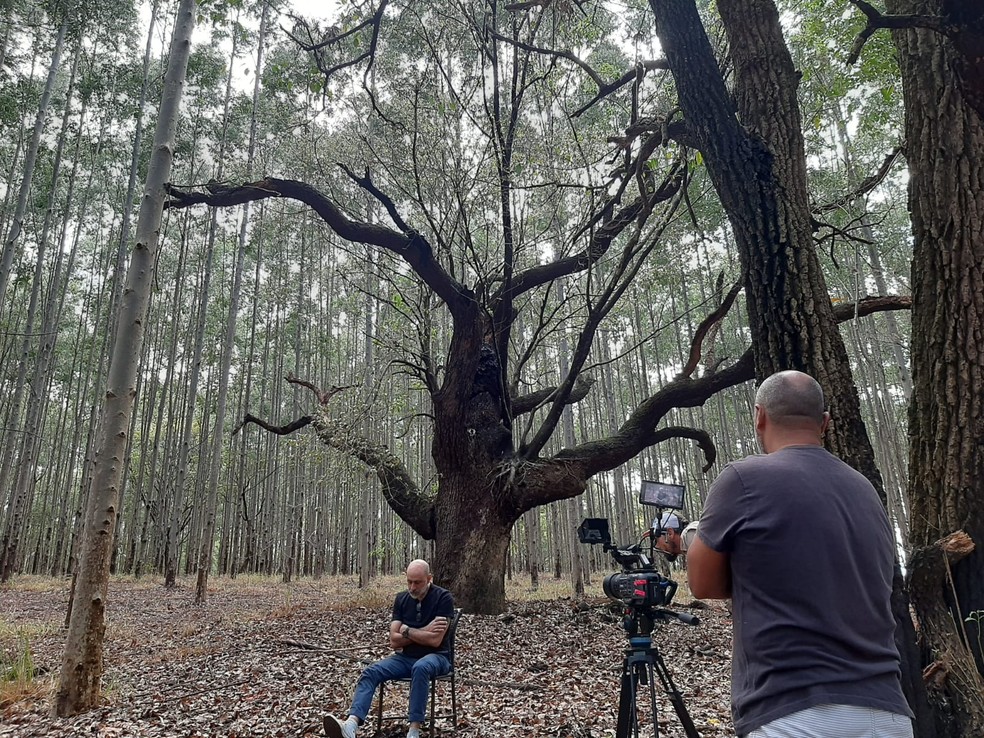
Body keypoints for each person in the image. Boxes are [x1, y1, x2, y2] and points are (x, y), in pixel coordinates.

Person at [687, 370, 913, 738]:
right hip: (887, 712)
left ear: (759, 416)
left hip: (794, 712)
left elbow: (702, 584)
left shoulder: (743, 479)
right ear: (824, 422)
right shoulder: (864, 488)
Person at [324, 559, 454, 738]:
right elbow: (394, 640)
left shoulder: (443, 597)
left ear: (429, 578)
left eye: (417, 582)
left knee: (421, 667)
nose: (412, 587)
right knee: (371, 672)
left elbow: (435, 641)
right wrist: (423, 631)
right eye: (409, 581)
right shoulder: (402, 598)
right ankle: (351, 725)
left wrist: (406, 631)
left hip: (437, 657)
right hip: (404, 658)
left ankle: (414, 731)